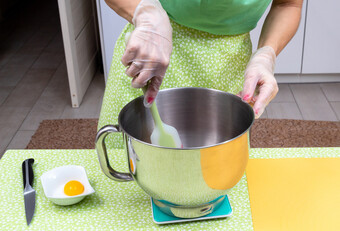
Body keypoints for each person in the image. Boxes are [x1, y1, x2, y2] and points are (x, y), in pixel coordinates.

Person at [99, 0, 303, 148]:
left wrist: (266, 53)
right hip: (153, 47)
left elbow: (288, 4)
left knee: (215, 163)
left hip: (228, 63)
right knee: (123, 152)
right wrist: (146, 14)